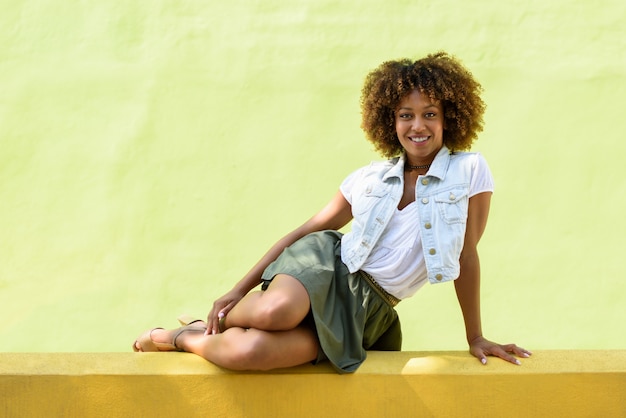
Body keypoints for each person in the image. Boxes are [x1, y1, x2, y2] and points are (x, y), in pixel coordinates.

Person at [133, 51, 532, 373]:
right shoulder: (368, 177)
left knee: (249, 354)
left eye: (430, 113)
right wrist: (238, 289)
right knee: (276, 310)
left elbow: (466, 254)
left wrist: (475, 337)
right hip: (327, 265)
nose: (418, 126)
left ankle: (184, 336)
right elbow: (307, 230)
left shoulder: (470, 170)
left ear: (449, 119)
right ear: (389, 121)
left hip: (370, 306)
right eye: (405, 115)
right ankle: (230, 314)